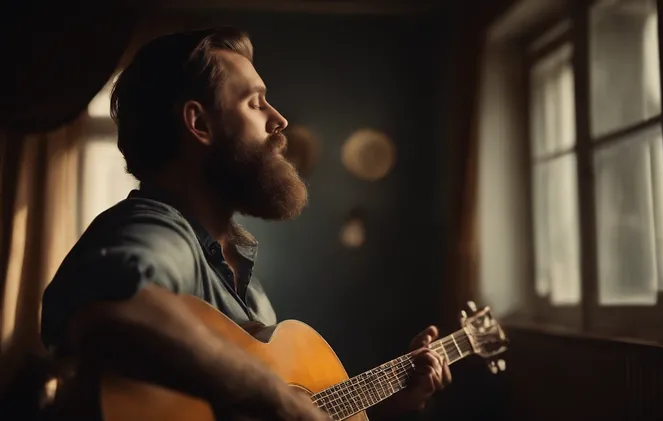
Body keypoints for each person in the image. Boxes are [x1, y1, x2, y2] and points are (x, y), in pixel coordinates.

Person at [41, 27, 451, 421]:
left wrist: (395, 399)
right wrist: (281, 402)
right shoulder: (157, 229)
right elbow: (114, 306)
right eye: (255, 103)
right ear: (199, 124)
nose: (280, 120)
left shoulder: (240, 270)